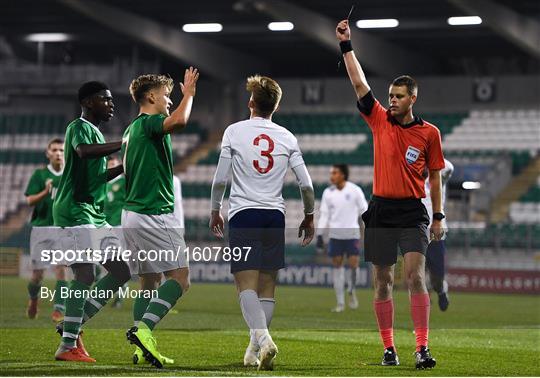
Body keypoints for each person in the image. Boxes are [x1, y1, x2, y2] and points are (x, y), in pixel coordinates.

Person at [336, 20, 445, 369]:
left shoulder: (430, 134)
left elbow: (436, 177)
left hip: (413, 211)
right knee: (382, 281)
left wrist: (439, 215)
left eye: (398, 97)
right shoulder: (379, 120)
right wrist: (346, 45)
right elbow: (358, 82)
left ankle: (422, 348)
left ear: (412, 98)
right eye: (390, 97)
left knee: (414, 276)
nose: (392, 101)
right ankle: (388, 348)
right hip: (381, 209)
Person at [209, 75, 315, 371]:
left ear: (251, 102)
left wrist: (215, 209)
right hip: (274, 215)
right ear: (276, 106)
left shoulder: (234, 131)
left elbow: (220, 178)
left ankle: (265, 339)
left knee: (245, 286)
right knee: (267, 287)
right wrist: (309, 215)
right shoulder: (287, 137)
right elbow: (306, 185)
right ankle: (254, 349)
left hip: (244, 213)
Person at [122, 69, 199, 368]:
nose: (170, 99)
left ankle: (142, 349)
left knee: (149, 281)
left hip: (132, 215)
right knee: (180, 278)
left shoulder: (131, 129)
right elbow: (179, 120)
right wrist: (189, 93)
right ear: (151, 97)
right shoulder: (151, 123)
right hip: (154, 214)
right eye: (167, 95)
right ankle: (144, 331)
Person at [52, 81, 131, 363]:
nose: (111, 104)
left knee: (122, 271)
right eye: (105, 100)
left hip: (92, 212)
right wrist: (124, 144)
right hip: (74, 210)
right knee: (85, 274)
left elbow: (98, 177)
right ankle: (68, 344)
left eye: (111, 100)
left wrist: (125, 166)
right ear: (88, 103)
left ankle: (70, 329)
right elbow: (84, 151)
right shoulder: (78, 127)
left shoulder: (96, 134)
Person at [25, 138, 67, 322]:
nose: (58, 153)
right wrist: (45, 191)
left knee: (61, 269)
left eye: (61, 150)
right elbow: (29, 201)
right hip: (41, 228)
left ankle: (59, 309)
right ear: (48, 153)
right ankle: (34, 299)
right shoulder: (40, 175)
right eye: (55, 150)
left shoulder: (70, 175)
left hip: (62, 228)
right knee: (37, 274)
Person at [316, 164, 368, 312]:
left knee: (353, 265)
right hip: (335, 235)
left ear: (343, 175)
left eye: (335, 173)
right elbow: (324, 215)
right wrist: (320, 234)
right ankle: (340, 302)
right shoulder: (328, 193)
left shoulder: (355, 190)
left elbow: (364, 210)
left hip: (352, 234)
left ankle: (351, 289)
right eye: (331, 173)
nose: (332, 175)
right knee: (337, 266)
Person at [422, 158, 454, 311]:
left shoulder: (441, 166)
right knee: (415, 274)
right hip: (414, 229)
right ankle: (421, 314)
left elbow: (449, 168)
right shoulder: (411, 165)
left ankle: (441, 290)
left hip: (436, 230)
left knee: (437, 277)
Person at [104, 155, 128, 308]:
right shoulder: (102, 183)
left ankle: (121, 293)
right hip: (105, 226)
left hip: (120, 225)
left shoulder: (124, 181)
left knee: (120, 260)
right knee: (106, 260)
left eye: (115, 163)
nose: (112, 166)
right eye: (110, 164)